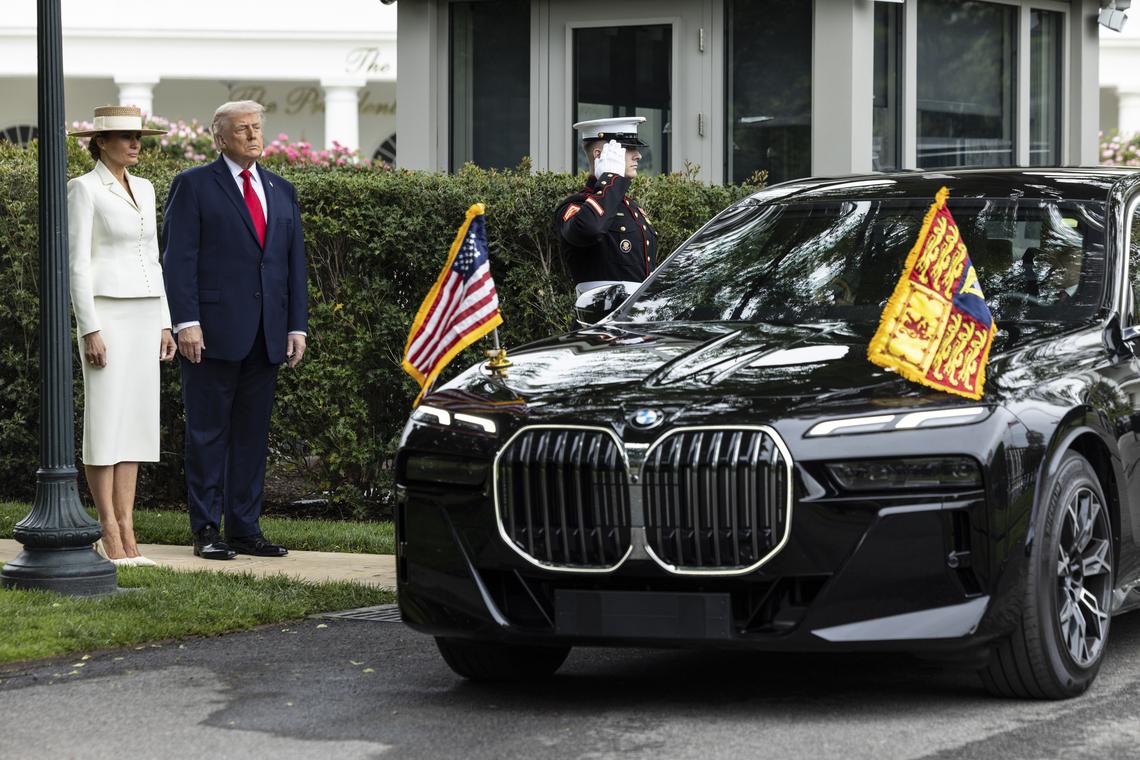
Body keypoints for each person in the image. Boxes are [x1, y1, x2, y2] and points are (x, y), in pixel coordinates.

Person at [162, 100, 308, 560]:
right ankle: (206, 529)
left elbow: (292, 265)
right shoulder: (193, 186)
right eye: (242, 129)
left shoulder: (281, 189)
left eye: (257, 127)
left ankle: (246, 528)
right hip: (210, 335)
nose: (252, 135)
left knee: (251, 436)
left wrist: (296, 326)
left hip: (267, 336)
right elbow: (178, 259)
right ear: (219, 138)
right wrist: (186, 322)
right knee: (207, 435)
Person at [67, 105, 178, 568]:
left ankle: (129, 528)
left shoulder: (147, 188)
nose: (135, 144)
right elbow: (77, 263)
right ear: (101, 142)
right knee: (106, 421)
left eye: (139, 137)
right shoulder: (84, 189)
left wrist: (165, 321)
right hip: (106, 315)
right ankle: (107, 529)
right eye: (125, 137)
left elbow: (154, 256)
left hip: (144, 312)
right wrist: (89, 326)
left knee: (135, 420)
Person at [555, 116, 659, 296]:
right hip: (601, 317)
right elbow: (589, 229)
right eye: (627, 148)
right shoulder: (574, 205)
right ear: (599, 155)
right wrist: (610, 177)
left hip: (637, 318)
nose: (638, 155)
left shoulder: (631, 208)